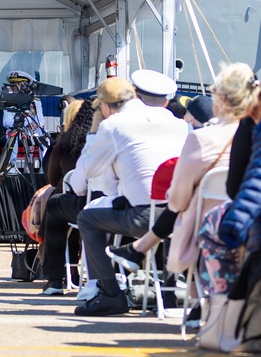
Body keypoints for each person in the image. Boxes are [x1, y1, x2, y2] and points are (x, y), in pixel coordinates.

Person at [108, 64, 255, 282]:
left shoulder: (203, 138)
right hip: (250, 221)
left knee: (183, 203)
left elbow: (177, 199)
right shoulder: (253, 135)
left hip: (206, 227)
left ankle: (141, 254)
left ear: (222, 99)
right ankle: (139, 253)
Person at [73, 68, 189, 316]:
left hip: (142, 217)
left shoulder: (114, 125)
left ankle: (110, 293)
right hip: (181, 216)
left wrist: (95, 131)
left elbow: (90, 171)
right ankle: (168, 295)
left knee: (87, 219)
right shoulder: (179, 125)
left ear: (104, 107)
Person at [38, 98, 95, 295]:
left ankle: (54, 278)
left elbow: (54, 180)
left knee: (55, 204)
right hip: (121, 205)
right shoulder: (119, 139)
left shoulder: (68, 142)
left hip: (85, 204)